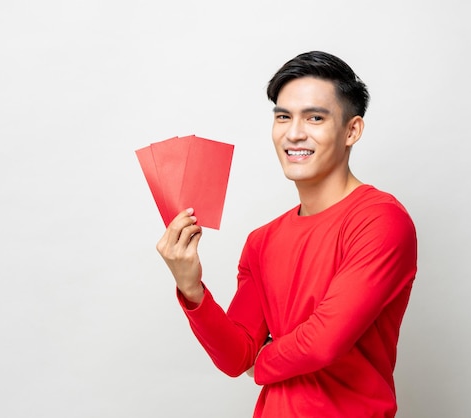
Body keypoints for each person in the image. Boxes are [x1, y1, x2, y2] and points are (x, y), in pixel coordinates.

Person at [156, 51, 417, 418]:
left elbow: (323, 342)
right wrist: (191, 288)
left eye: (314, 117)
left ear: (352, 130)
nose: (294, 133)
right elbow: (236, 357)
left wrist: (260, 363)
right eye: (283, 117)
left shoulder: (379, 220)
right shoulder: (262, 241)